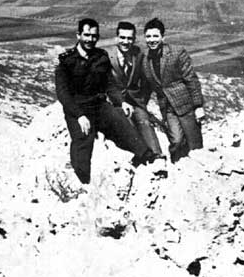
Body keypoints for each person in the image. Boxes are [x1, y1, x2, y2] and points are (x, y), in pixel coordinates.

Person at [55, 18, 156, 184]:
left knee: (122, 124)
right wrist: (79, 116)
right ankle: (82, 182)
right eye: (86, 35)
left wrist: (121, 101)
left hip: (99, 106)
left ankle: (146, 157)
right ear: (78, 35)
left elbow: (109, 84)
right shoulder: (67, 62)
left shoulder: (101, 57)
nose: (90, 39)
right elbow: (63, 94)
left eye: (94, 36)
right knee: (83, 141)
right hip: (78, 109)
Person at [142, 18, 205, 162]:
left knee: (194, 144)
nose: (152, 40)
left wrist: (198, 106)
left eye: (155, 36)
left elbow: (191, 80)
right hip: (167, 108)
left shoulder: (177, 53)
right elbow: (146, 87)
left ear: (162, 37)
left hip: (186, 104)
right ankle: (177, 166)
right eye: (148, 36)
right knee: (176, 141)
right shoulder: (145, 60)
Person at [108, 21, 163, 158]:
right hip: (114, 101)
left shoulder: (138, 55)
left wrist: (142, 100)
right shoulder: (107, 56)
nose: (125, 42)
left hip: (134, 100)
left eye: (129, 38)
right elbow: (106, 83)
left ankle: (156, 155)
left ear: (134, 39)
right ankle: (140, 155)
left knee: (143, 119)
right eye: (122, 38)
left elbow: (146, 81)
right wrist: (119, 101)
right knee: (127, 123)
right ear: (116, 38)